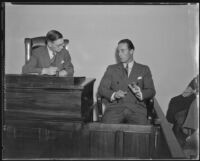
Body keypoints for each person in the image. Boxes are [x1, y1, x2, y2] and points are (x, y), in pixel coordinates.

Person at [98, 39, 156, 124]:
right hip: (115, 109)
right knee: (106, 131)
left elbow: (151, 91)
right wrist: (114, 94)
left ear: (131, 51)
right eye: (118, 51)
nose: (119, 54)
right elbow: (102, 89)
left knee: (140, 132)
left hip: (137, 110)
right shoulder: (111, 69)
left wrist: (141, 94)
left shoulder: (144, 69)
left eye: (122, 51)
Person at [166, 75, 199, 147]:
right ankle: (169, 132)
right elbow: (189, 90)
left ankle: (188, 129)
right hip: (194, 97)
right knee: (175, 101)